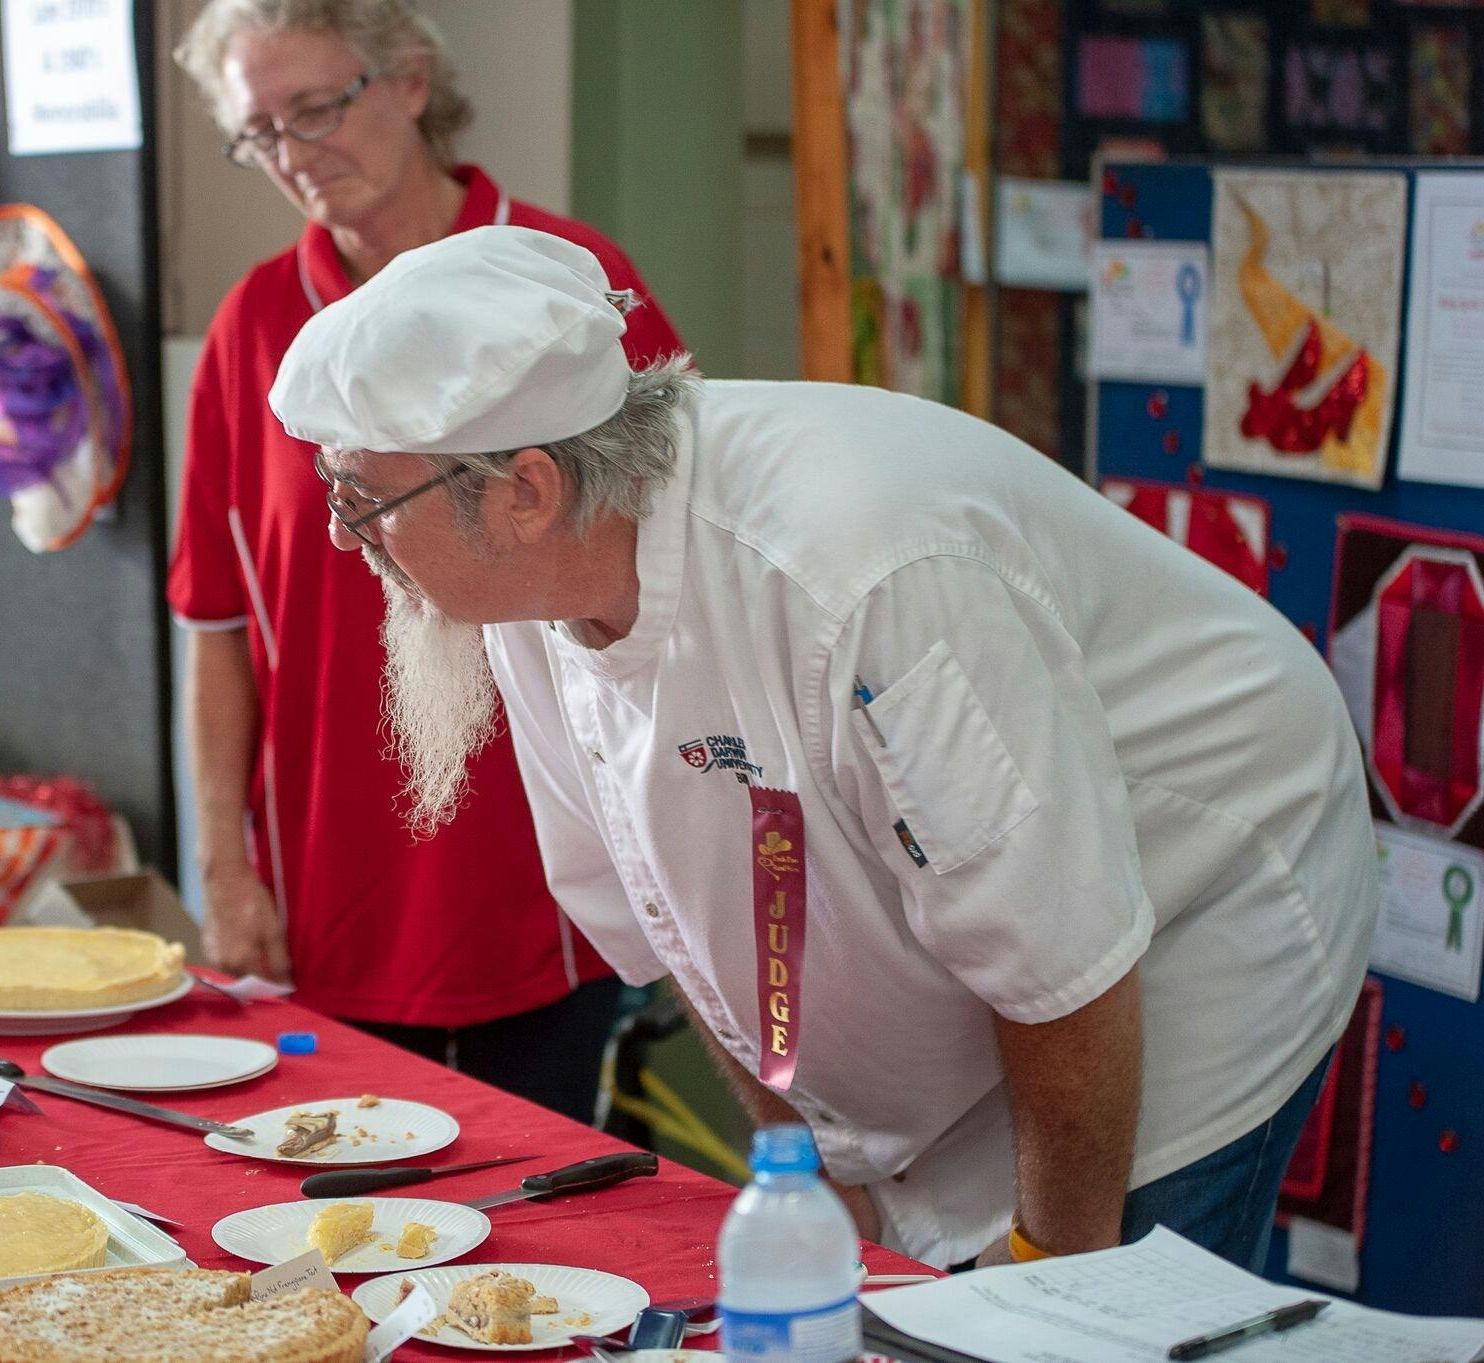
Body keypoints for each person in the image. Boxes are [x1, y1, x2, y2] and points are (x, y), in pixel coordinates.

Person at [268, 225, 1379, 1271]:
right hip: (1015, 941)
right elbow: (675, 925)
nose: (340, 532)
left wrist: (1050, 1276)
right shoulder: (532, 586)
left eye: (364, 498)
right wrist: (808, 1165)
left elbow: (1064, 958)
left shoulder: (853, 571)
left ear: (523, 489)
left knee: (1105, 1308)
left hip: (1203, 880)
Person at [167, 0, 685, 1121]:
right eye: (261, 133)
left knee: (540, 1225)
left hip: (546, 872)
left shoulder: (569, 280)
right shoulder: (252, 328)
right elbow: (216, 626)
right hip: (327, 880)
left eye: (315, 109)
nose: (295, 155)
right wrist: (224, 864)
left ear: (407, 82)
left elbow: (676, 564)